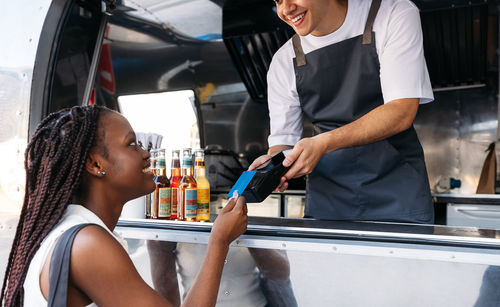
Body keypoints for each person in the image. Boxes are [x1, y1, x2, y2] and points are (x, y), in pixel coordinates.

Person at [1, 105, 248, 307]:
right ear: (95, 164)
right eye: (132, 144)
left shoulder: (70, 229)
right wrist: (219, 242)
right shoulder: (89, 244)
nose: (146, 154)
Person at [250, 0, 435, 223]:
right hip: (328, 203)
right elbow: (283, 141)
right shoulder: (283, 61)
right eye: (278, 0)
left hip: (399, 195)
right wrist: (274, 165)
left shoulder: (392, 13)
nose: (286, 9)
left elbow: (401, 111)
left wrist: (323, 143)